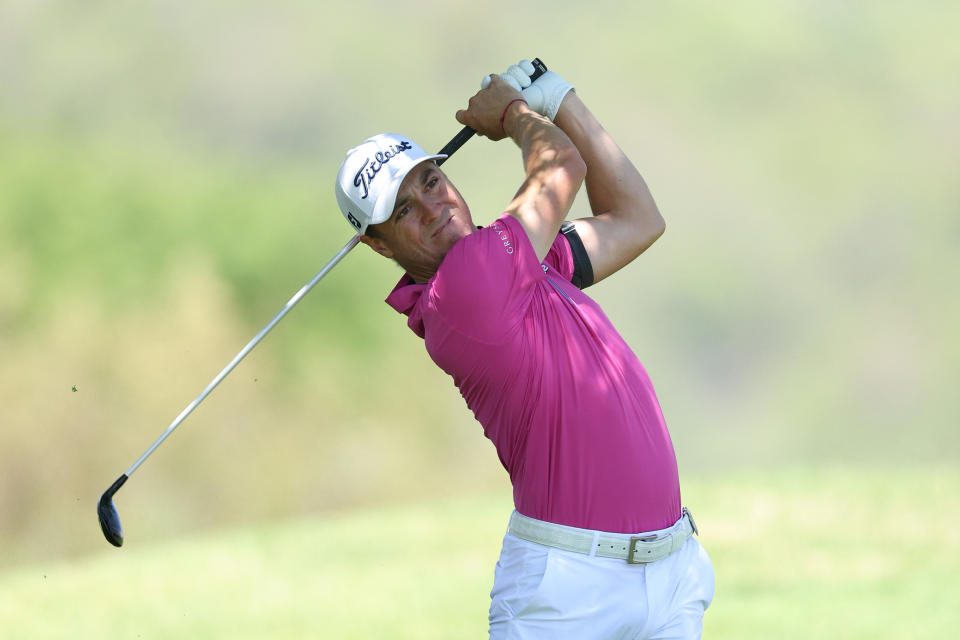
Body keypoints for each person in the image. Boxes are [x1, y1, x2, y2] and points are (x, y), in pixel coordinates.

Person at [334, 60, 714, 639]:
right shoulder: (466, 288)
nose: (433, 208)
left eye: (430, 182)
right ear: (378, 246)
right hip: (568, 592)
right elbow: (560, 164)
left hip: (668, 569)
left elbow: (638, 219)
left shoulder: (519, 265)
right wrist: (514, 114)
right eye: (403, 211)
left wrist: (559, 99)